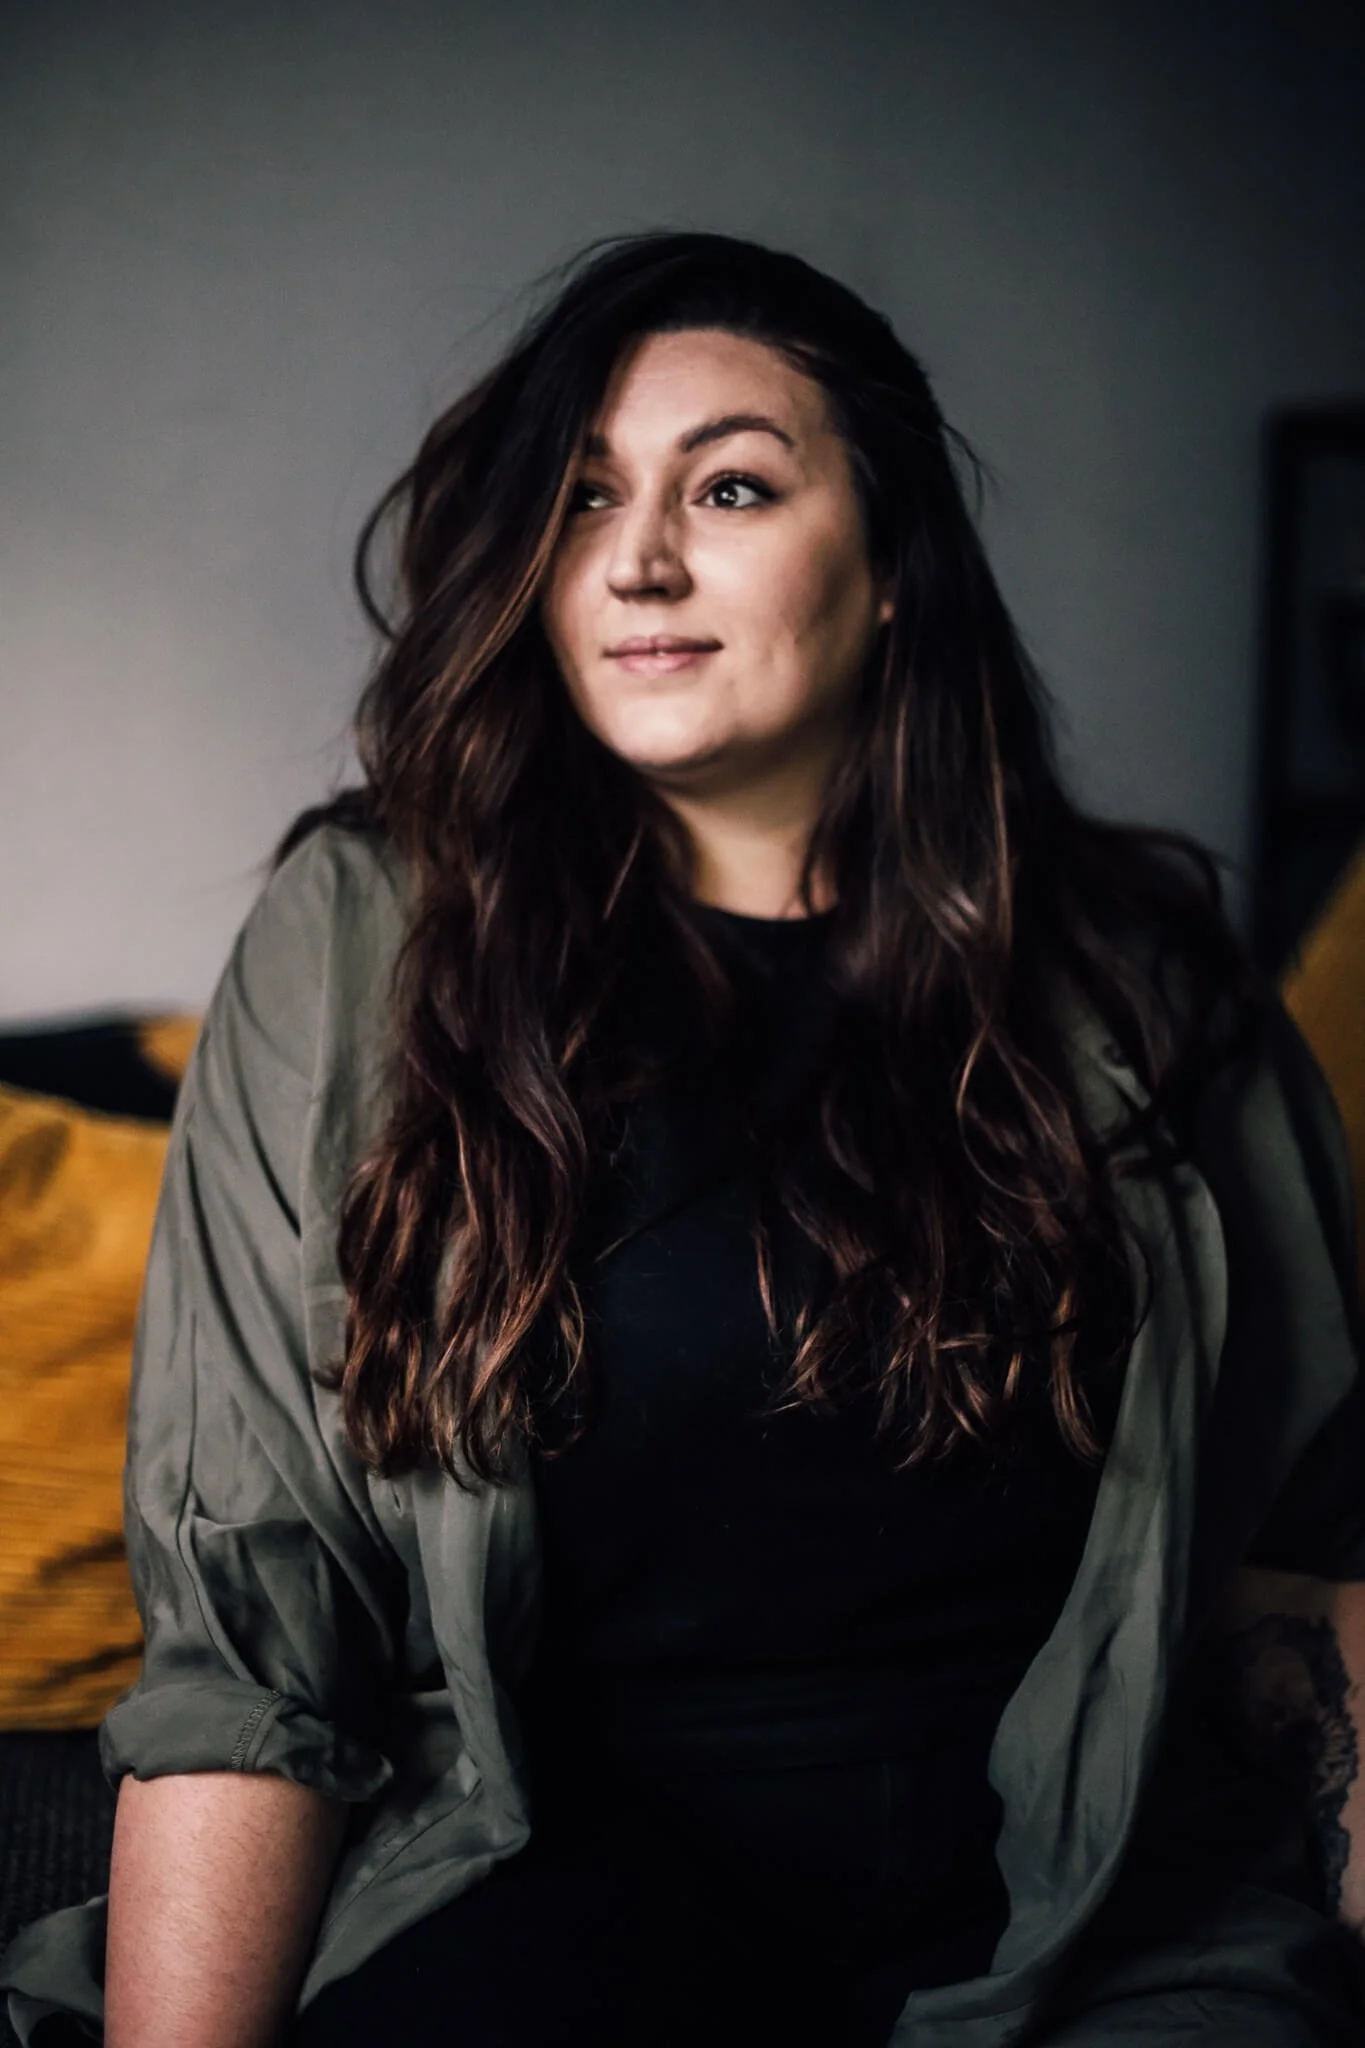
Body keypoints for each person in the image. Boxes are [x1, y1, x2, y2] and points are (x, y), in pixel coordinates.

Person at [3, 229, 1364, 2048]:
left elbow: (1313, 1570)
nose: (637, 559)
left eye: (730, 485)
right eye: (579, 501)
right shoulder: (364, 939)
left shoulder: (1148, 988)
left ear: (892, 571)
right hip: (557, 1906)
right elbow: (253, 1655)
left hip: (1089, 1927)